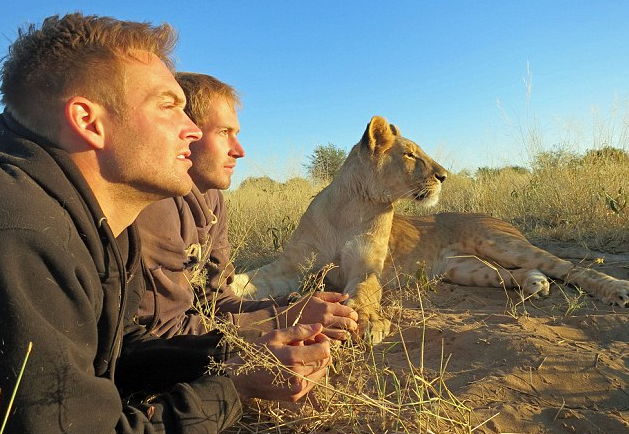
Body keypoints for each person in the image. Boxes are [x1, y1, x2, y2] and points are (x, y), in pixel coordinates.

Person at [0, 13, 331, 434]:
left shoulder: (103, 221)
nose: (192, 130)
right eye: (168, 106)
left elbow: (120, 356)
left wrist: (242, 352)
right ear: (88, 121)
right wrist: (235, 389)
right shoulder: (23, 236)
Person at [135, 72, 359, 340]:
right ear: (186, 132)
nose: (239, 150)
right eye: (223, 132)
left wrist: (291, 308)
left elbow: (214, 302)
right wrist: (281, 320)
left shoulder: (212, 198)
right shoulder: (155, 204)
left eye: (236, 133)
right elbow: (164, 332)